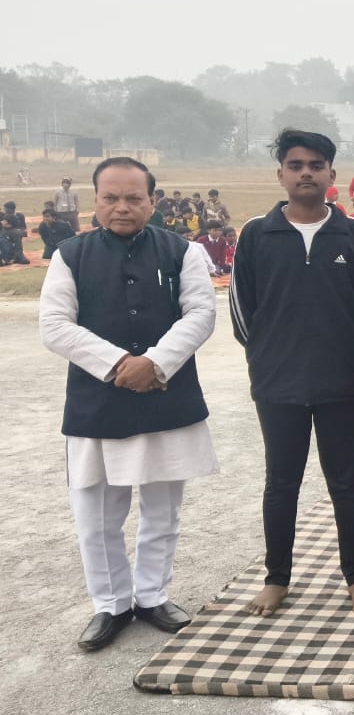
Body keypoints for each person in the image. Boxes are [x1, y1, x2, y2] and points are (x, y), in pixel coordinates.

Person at [39, 157, 219, 651]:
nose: (122, 207)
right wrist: (120, 363)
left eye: (134, 198)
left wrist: (156, 362)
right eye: (111, 198)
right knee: (96, 515)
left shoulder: (182, 251)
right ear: (95, 201)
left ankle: (153, 596)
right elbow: (54, 325)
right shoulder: (69, 255)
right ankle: (111, 604)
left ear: (152, 201)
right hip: (97, 400)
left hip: (166, 393)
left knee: (163, 509)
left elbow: (201, 313)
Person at [230, 130, 354, 618]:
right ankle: (277, 578)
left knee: (346, 481)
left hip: (342, 384)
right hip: (278, 385)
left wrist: (349, 352)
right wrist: (267, 357)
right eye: (295, 165)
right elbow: (242, 311)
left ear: (332, 174)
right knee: (281, 483)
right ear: (281, 174)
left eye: (316, 165)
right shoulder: (257, 235)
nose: (306, 173)